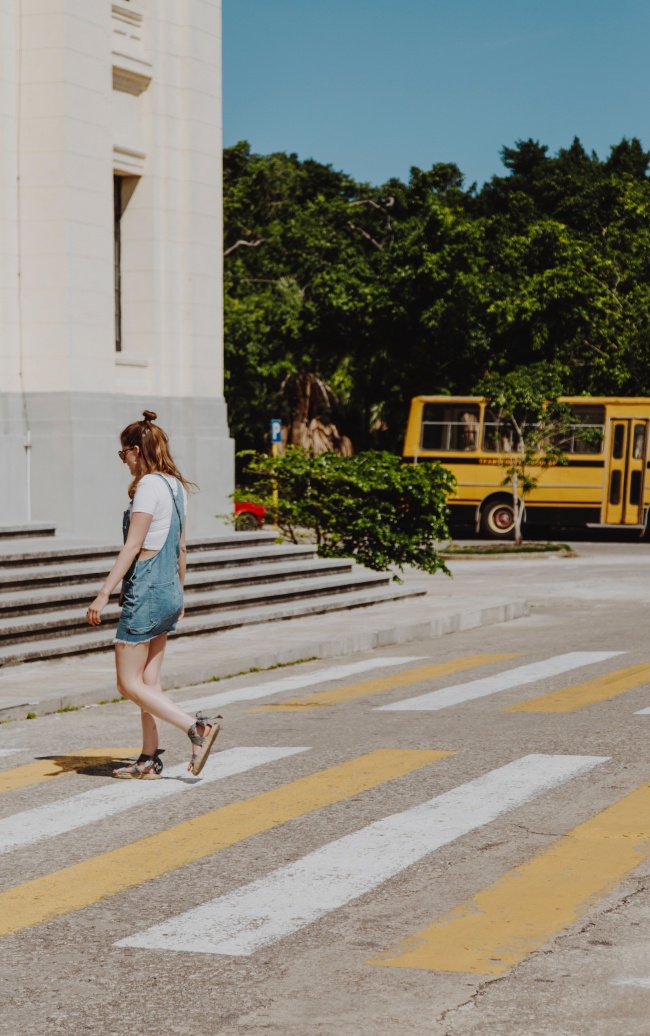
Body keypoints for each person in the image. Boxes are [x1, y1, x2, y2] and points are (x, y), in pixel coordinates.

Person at [86, 410, 220, 779]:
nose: (123, 461)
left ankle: (197, 729)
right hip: (168, 589)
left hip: (145, 590)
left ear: (134, 450)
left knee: (127, 683)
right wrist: (180, 593)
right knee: (149, 683)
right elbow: (181, 549)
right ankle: (148, 760)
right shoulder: (176, 486)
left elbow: (132, 547)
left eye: (122, 454)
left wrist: (102, 594)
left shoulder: (147, 486)